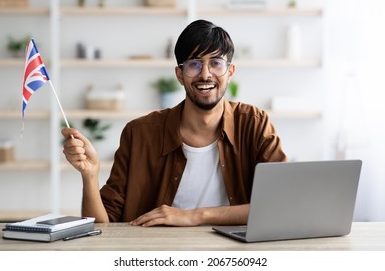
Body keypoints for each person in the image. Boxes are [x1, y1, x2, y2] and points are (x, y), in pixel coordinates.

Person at [62, 19, 288, 227]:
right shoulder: (139, 133)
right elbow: (102, 224)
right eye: (194, 65)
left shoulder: (254, 124)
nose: (205, 74)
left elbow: (281, 203)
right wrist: (89, 175)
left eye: (216, 63)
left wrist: (196, 215)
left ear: (230, 72)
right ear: (180, 74)